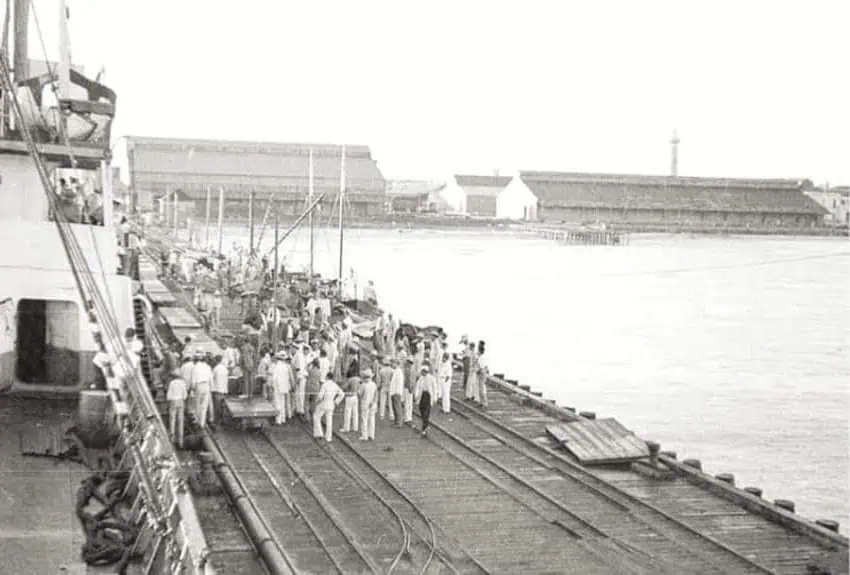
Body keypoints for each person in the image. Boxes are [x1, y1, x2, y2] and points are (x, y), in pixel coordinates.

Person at [313, 373, 344, 442]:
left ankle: (319, 433)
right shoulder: (335, 385)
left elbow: (320, 396)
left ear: (327, 377)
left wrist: (316, 402)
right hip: (331, 404)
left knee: (316, 416)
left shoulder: (324, 385)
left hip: (324, 403)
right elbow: (342, 394)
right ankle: (328, 438)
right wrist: (336, 401)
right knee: (329, 421)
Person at [414, 364, 438, 436]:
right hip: (422, 396)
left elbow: (435, 388)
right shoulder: (420, 379)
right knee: (421, 410)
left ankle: (424, 427)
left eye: (424, 372)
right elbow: (417, 388)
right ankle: (425, 424)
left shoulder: (432, 378)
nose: (422, 373)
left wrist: (435, 397)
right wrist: (416, 396)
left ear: (426, 372)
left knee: (426, 413)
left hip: (428, 397)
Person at [167, 369, 188, 448]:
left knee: (172, 419)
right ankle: (180, 441)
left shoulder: (172, 383)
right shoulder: (182, 383)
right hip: (181, 401)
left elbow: (169, 393)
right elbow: (185, 394)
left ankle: (172, 436)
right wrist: (183, 399)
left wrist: (169, 401)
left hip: (173, 400)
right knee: (180, 420)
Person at [192, 352, 214, 428]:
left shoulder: (195, 367)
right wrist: (211, 387)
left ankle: (197, 421)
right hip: (206, 385)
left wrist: (193, 388)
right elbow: (211, 378)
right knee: (204, 406)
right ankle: (202, 423)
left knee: (197, 404)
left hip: (199, 385)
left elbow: (193, 379)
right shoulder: (208, 367)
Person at [271, 351, 293, 424]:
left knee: (277, 403)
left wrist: (273, 385)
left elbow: (274, 378)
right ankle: (283, 418)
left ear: (277, 359)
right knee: (283, 402)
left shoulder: (276, 367)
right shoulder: (286, 366)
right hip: (284, 387)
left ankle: (278, 420)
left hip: (277, 387)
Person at [359, 369, 378, 441]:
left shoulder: (363, 385)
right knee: (372, 419)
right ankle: (371, 435)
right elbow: (376, 394)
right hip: (373, 404)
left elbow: (360, 394)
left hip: (365, 403)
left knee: (364, 419)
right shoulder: (374, 384)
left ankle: (364, 436)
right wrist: (373, 402)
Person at [212, 354, 228, 424]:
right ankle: (223, 420)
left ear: (216, 360)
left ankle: (217, 421)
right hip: (224, 390)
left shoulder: (215, 368)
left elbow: (212, 378)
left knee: (217, 407)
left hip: (217, 390)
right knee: (223, 407)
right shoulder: (225, 369)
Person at [389, 358, 405, 427]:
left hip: (396, 392)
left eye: (393, 363)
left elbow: (398, 383)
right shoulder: (396, 371)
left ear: (397, 364)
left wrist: (396, 392)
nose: (392, 364)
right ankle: (397, 421)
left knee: (397, 407)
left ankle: (399, 423)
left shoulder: (399, 372)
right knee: (395, 407)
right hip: (394, 392)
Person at [377, 356, 394, 420]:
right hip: (390, 385)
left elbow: (379, 379)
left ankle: (382, 414)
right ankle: (391, 415)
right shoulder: (392, 370)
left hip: (383, 385)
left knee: (382, 400)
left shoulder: (381, 370)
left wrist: (379, 385)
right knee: (390, 401)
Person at [477, 341, 489, 407]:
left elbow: (481, 367)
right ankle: (482, 402)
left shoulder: (481, 358)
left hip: (482, 372)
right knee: (481, 387)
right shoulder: (482, 357)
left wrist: (478, 371)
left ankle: (484, 403)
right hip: (483, 372)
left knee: (482, 388)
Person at [402, 357, 415, 425]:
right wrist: (410, 387)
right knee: (408, 403)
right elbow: (409, 380)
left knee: (409, 403)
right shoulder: (408, 370)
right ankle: (407, 418)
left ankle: (408, 417)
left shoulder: (409, 369)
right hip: (408, 388)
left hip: (409, 388)